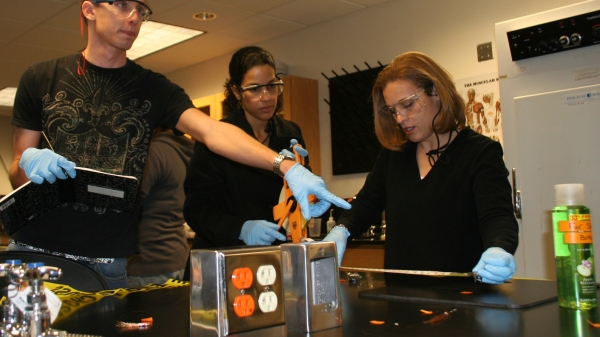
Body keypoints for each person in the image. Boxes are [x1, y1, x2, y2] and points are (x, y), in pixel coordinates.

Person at [8, 0, 350, 289]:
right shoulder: (40, 78)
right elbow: (17, 170)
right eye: (121, 4)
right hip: (35, 249)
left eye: (141, 9)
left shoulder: (154, 88)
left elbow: (214, 132)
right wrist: (28, 163)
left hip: (108, 261)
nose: (133, 17)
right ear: (89, 9)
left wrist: (286, 166)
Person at [323, 51, 518, 285]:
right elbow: (365, 206)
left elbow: (497, 216)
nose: (399, 118)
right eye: (393, 110)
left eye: (407, 104)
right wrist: (342, 230)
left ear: (436, 92)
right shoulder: (394, 157)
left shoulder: (480, 152)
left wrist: (499, 248)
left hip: (462, 300)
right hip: (401, 299)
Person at [183, 47, 308, 279]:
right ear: (236, 92)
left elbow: (297, 193)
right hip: (222, 262)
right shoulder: (219, 137)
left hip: (272, 261)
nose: (266, 96)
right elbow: (197, 210)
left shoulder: (291, 133)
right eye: (254, 89)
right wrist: (240, 229)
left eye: (272, 85)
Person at [126, 126, 192, 287]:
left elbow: (130, 204)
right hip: (177, 256)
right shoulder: (189, 151)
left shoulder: (152, 152)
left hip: (148, 262)